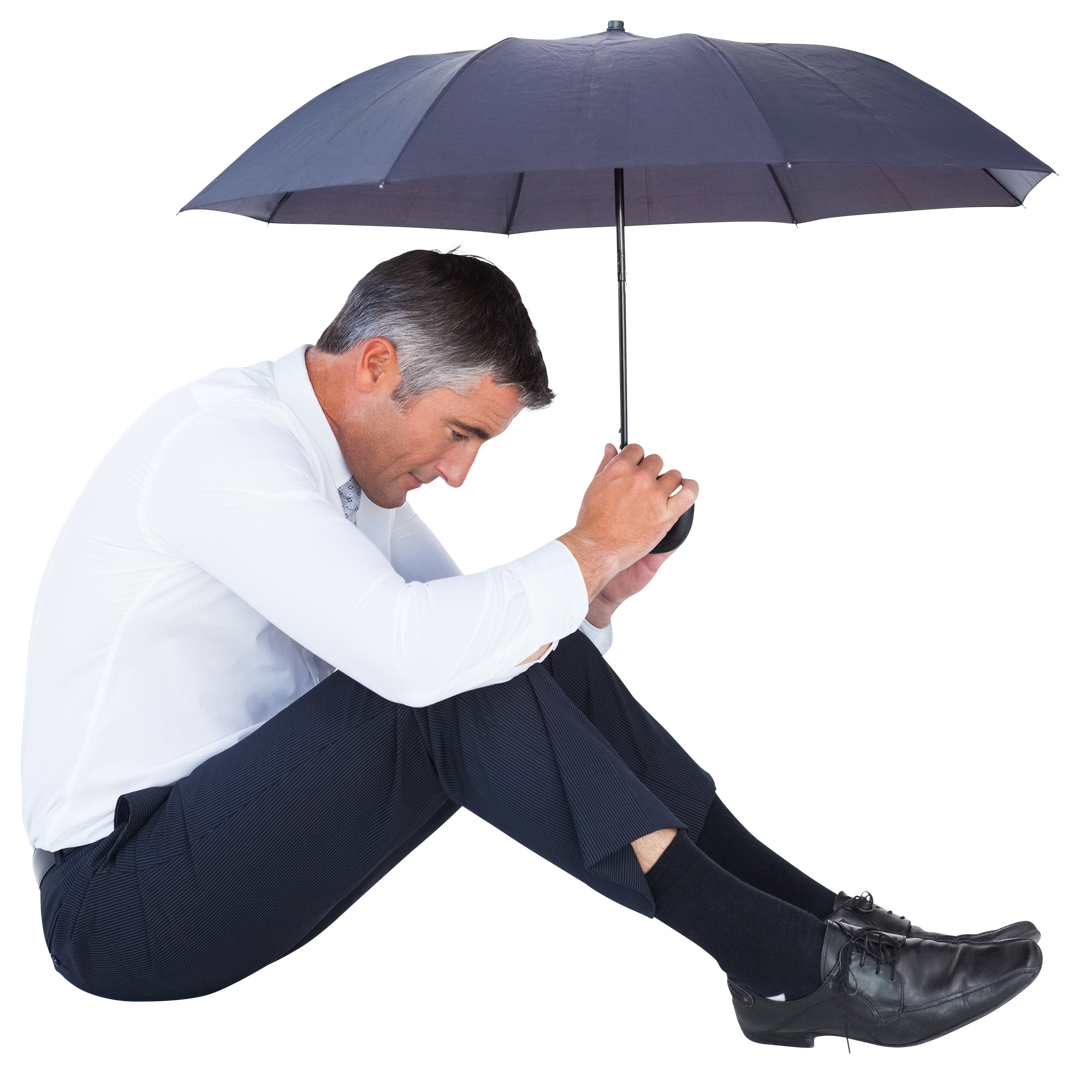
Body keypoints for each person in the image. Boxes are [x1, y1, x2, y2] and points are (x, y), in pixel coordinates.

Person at [20, 245, 1043, 1045]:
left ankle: (825, 931)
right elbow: (425, 667)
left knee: (514, 646)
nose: (460, 477)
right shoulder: (221, 445)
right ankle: (780, 959)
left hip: (224, 845)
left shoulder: (348, 477)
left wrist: (599, 592)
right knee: (436, 676)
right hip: (120, 903)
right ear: (377, 365)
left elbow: (513, 665)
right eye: (461, 433)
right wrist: (580, 543)